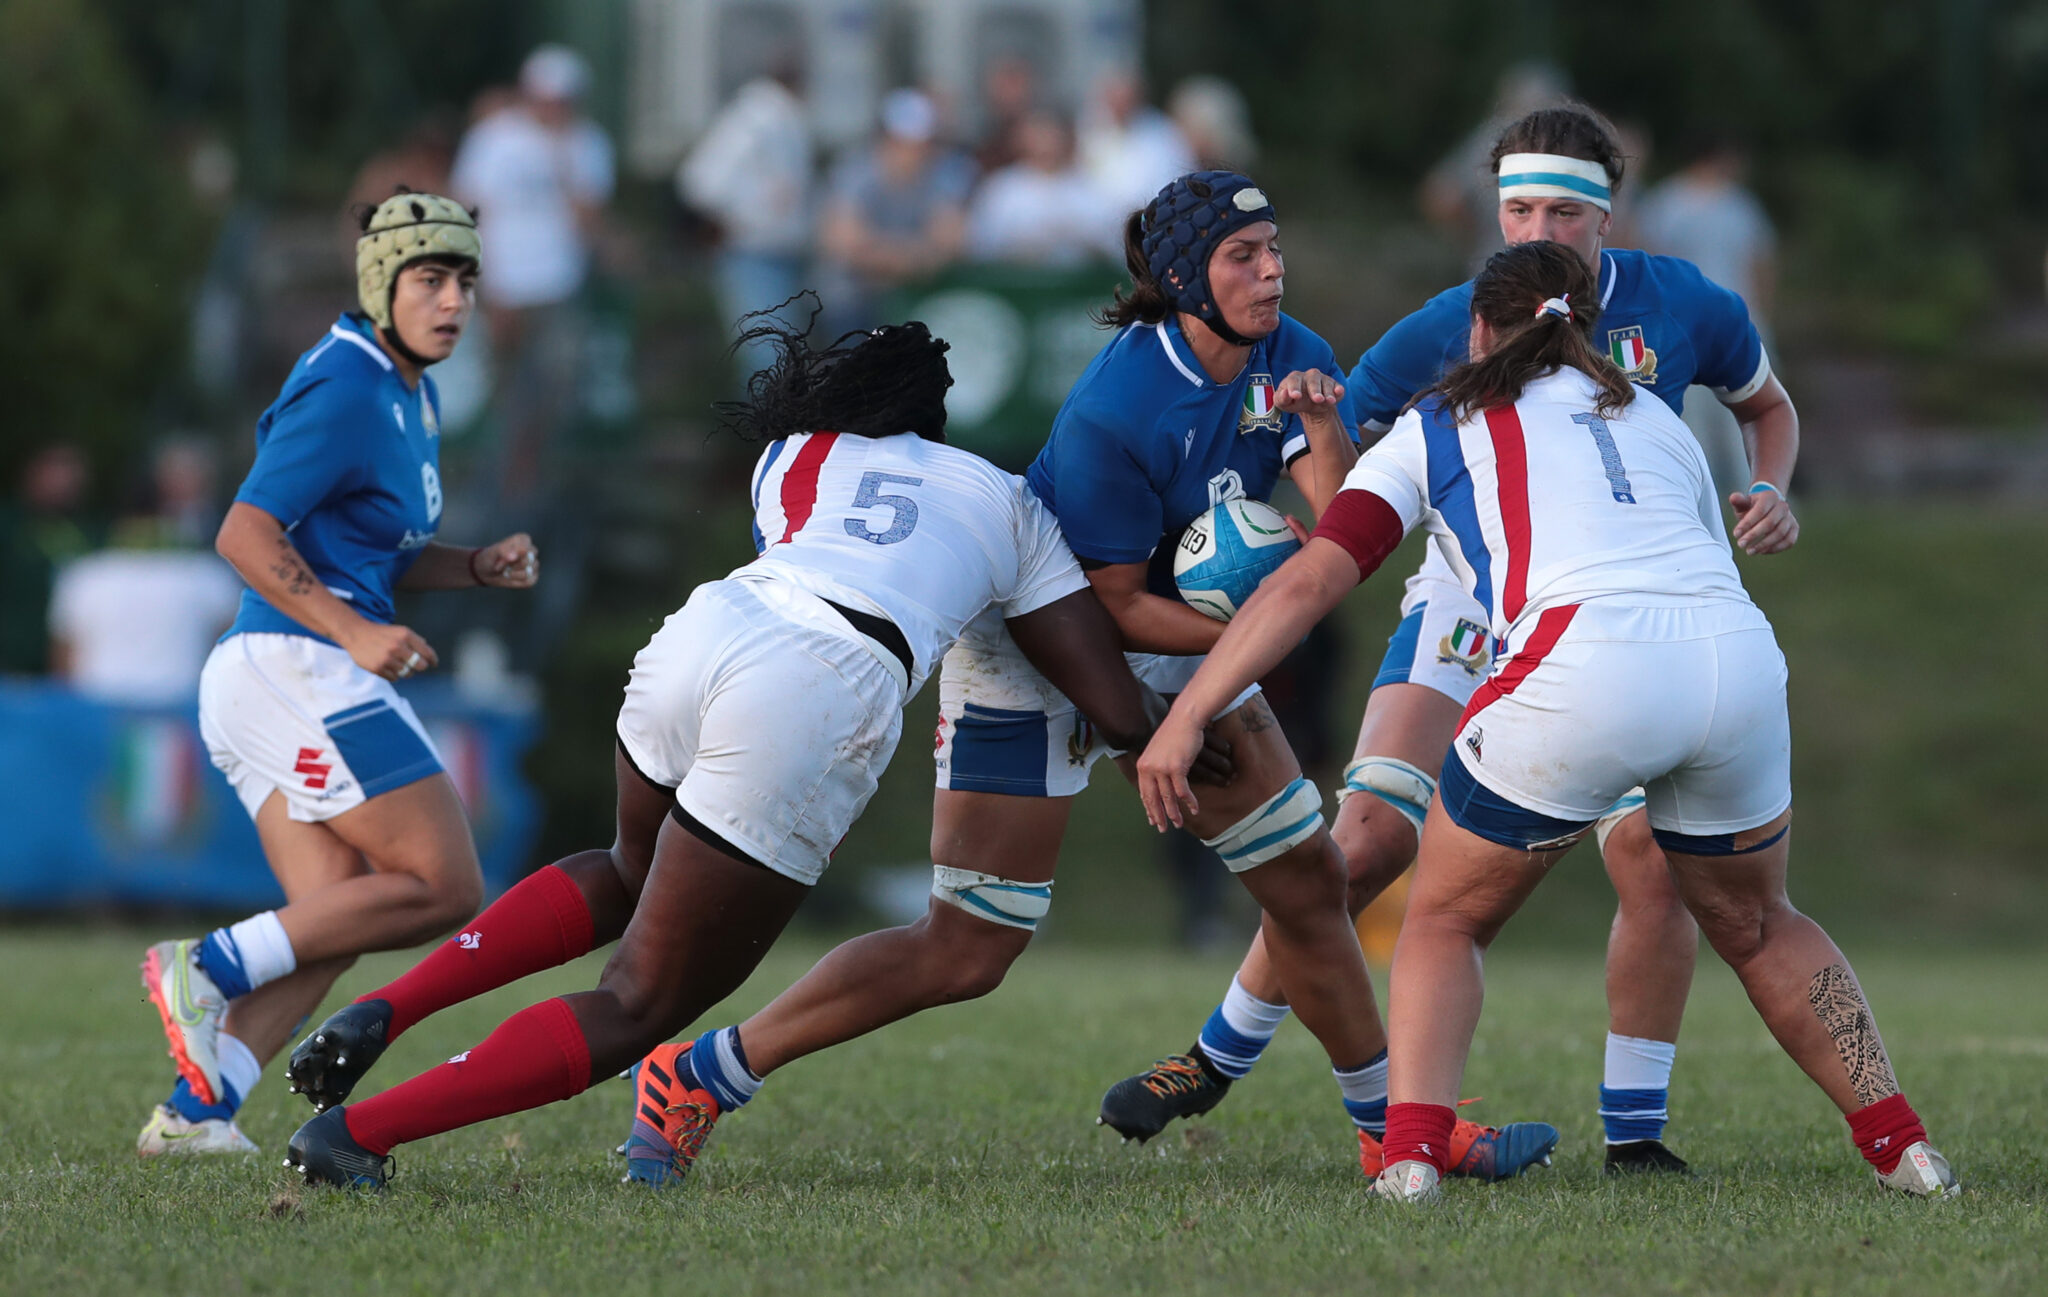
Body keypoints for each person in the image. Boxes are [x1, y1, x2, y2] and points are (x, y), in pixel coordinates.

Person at [603, 171, 1487, 1189]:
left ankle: (1391, 1134)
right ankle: (701, 1070)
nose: (1271, 269)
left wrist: (1322, 429)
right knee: (967, 947)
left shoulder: (1290, 353)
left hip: (1183, 634)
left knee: (1305, 882)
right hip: (1039, 641)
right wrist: (1240, 635)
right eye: (1242, 256)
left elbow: (1339, 527)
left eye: (1272, 247)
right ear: (1181, 277)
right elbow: (1104, 605)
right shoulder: (1120, 405)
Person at [276, 313, 1198, 1189]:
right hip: (820, 680)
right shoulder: (1002, 498)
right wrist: (1188, 709)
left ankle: (387, 1006)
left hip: (712, 623)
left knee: (631, 865)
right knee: (642, 1001)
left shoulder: (787, 454)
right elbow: (1109, 701)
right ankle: (356, 1135)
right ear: (933, 415)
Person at [1134, 239, 1959, 1204]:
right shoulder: (1656, 414)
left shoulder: (1443, 416)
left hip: (1582, 666)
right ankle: (1905, 1148)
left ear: (1477, 332)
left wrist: (1189, 709)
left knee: (1444, 916)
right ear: (1590, 335)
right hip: (1734, 657)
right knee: (1763, 922)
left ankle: (1408, 1161)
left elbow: (1316, 574)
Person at [1104, 103, 1802, 1179]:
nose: (1536, 227)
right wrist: (1320, 431)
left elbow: (1767, 405)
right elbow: (1351, 448)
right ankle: (1213, 1053)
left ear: (1604, 217)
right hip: (1469, 603)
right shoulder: (1454, 320)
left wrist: (1768, 486)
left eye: (1561, 209)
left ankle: (1635, 1135)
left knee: (1649, 864)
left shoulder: (1682, 303)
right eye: (1516, 206)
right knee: (1370, 838)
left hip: (1613, 616)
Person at [134, 190, 540, 1156]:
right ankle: (205, 964)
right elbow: (243, 530)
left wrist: (472, 564)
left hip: (279, 670)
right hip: (295, 663)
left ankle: (196, 1113)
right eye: (431, 280)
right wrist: (353, 634)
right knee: (444, 883)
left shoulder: (412, 390)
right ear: (380, 284)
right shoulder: (351, 383)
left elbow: (377, 547)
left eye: (466, 283)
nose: (454, 303)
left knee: (334, 914)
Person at [449, 44, 615, 506]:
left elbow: (589, 220)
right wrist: (480, 279)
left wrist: (562, 162)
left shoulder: (589, 144)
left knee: (555, 385)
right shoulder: (494, 138)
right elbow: (470, 210)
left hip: (558, 285)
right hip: (504, 284)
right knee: (501, 388)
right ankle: (496, 482)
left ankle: (533, 480)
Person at [1636, 133, 1778, 499]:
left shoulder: (1738, 206)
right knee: (1693, 416)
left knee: (1743, 411)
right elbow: (1652, 261)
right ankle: (1701, 497)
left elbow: (1759, 261)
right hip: (1687, 326)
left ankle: (1759, 491)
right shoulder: (1670, 203)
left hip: (1733, 321)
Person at [677, 56, 813, 381]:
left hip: (775, 253)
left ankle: (770, 431)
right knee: (769, 357)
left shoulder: (772, 115)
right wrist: (751, 213)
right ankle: (763, 433)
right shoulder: (759, 117)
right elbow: (700, 181)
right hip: (752, 253)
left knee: (780, 355)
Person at [816, 89, 975, 335]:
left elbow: (951, 243)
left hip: (913, 300)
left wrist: (880, 254)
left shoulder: (941, 177)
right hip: (854, 302)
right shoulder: (855, 172)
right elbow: (844, 243)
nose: (916, 151)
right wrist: (916, 257)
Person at [965, 110, 1121, 268]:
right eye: (1038, 134)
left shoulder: (1088, 189)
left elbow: (1109, 245)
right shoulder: (1001, 190)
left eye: (1050, 134)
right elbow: (982, 247)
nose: (1045, 142)